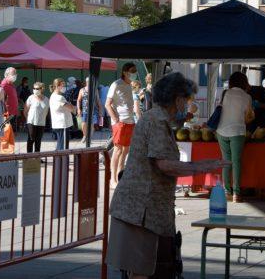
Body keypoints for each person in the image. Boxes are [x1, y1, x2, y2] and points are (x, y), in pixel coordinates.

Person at [106, 72, 223, 279]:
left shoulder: (158, 118)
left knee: (146, 270)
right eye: (186, 101)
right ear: (177, 100)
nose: (187, 106)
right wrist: (202, 167)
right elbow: (165, 165)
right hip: (140, 211)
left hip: (145, 210)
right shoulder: (157, 120)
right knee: (142, 271)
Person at [216, 72, 254, 203]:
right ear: (244, 82)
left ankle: (227, 191)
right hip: (237, 131)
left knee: (226, 161)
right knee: (236, 161)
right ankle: (236, 194)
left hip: (221, 130)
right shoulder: (247, 97)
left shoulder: (225, 93)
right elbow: (248, 117)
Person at [106, 63, 139, 188]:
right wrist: (115, 119)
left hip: (130, 121)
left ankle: (121, 177)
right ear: (125, 72)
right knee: (118, 150)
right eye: (132, 71)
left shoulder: (129, 85)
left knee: (125, 151)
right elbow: (107, 104)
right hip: (120, 123)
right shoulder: (116, 84)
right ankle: (112, 179)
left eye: (135, 71)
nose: (135, 73)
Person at [50, 78, 75, 150]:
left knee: (60, 145)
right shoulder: (59, 97)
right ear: (57, 86)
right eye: (62, 85)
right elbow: (70, 108)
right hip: (62, 124)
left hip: (58, 123)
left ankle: (58, 160)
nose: (64, 87)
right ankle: (62, 161)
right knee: (63, 147)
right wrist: (72, 107)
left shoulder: (53, 95)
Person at [77, 77, 104, 144]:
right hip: (84, 110)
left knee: (92, 125)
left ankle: (89, 138)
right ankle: (85, 135)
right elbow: (78, 100)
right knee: (83, 124)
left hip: (93, 110)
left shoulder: (95, 90)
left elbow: (98, 100)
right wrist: (78, 109)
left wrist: (100, 109)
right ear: (87, 82)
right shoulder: (82, 90)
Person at [25, 82, 49, 153]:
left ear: (42, 89)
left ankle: (37, 157)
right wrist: (28, 120)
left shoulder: (46, 99)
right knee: (31, 139)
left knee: (38, 140)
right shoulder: (31, 98)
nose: (35, 90)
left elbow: (47, 111)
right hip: (31, 122)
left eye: (37, 88)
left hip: (41, 123)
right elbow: (25, 110)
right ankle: (29, 156)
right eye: (34, 88)